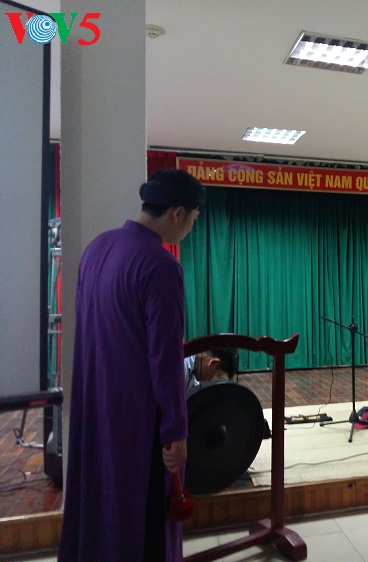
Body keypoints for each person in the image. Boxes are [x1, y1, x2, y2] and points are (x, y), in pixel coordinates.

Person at [59, 169, 205, 562]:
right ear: (177, 213)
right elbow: (165, 358)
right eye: (192, 219)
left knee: (98, 504)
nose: (190, 228)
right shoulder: (160, 265)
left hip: (95, 406)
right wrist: (176, 429)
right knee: (141, 520)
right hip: (137, 420)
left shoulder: (96, 248)